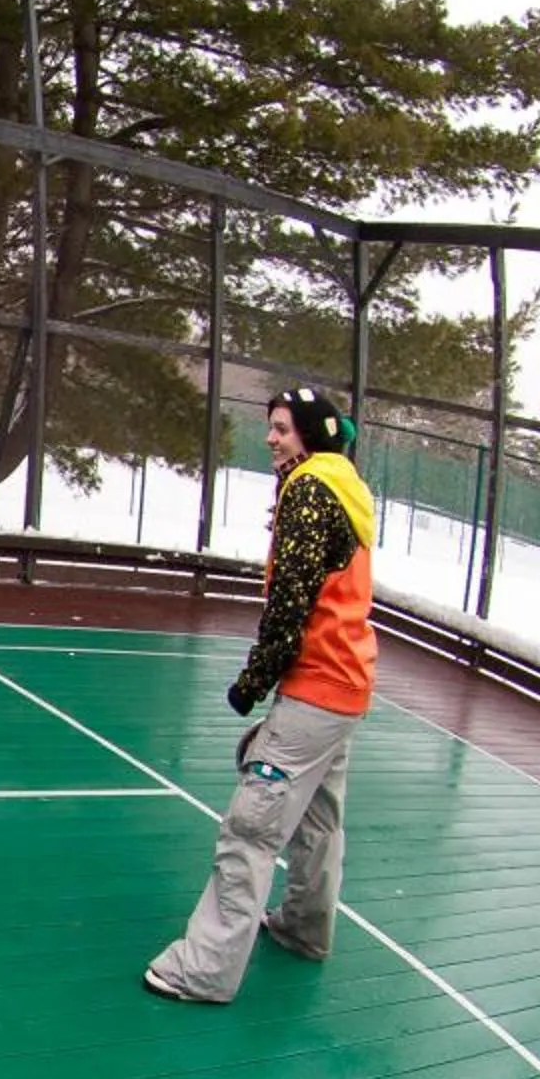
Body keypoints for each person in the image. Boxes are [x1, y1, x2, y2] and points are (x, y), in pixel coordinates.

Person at [144, 386, 377, 1004]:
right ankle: (305, 928)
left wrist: (253, 682)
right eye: (270, 427)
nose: (271, 438)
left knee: (252, 827)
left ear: (311, 433)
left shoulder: (309, 490)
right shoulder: (346, 485)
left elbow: (289, 605)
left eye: (281, 428)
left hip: (316, 690)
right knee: (320, 821)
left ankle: (202, 969)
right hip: (349, 687)